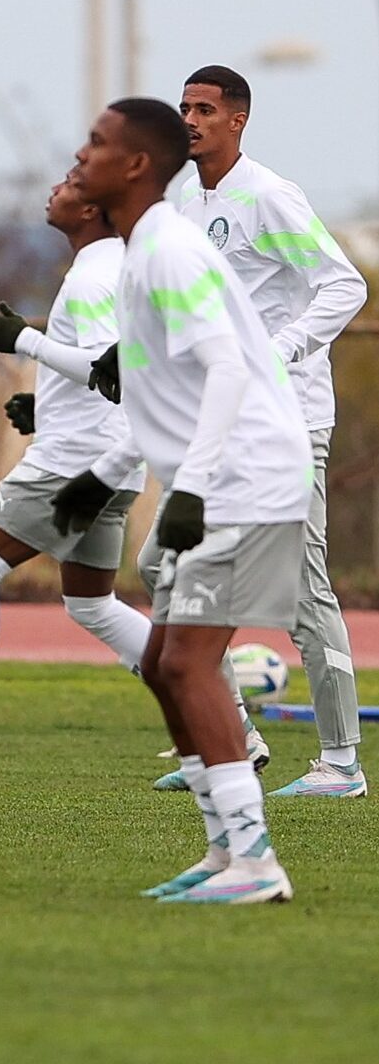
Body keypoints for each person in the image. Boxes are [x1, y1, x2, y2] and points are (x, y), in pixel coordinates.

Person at [53, 97, 309, 904]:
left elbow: (229, 370)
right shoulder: (137, 255)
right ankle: (222, 850)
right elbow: (162, 391)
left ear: (133, 166)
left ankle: (256, 863)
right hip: (219, 479)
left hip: (246, 479)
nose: (82, 153)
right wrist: (107, 468)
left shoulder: (167, 251)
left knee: (187, 661)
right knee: (166, 663)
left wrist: (191, 490)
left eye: (97, 142)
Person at [167, 64, 366, 799]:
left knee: (303, 590)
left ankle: (341, 765)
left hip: (289, 423)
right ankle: (233, 743)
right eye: (183, 106)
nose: (189, 119)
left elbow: (345, 284)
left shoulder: (269, 195)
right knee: (181, 573)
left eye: (204, 109)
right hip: (221, 422)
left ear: (237, 120)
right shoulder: (187, 198)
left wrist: (275, 354)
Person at [0, 180, 154, 755]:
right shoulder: (118, 265)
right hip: (113, 459)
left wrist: (24, 340)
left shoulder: (92, 275)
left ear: (89, 209)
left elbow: (106, 369)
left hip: (77, 461)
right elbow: (116, 369)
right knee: (92, 603)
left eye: (71, 182)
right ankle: (229, 721)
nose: (56, 188)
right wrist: (45, 403)